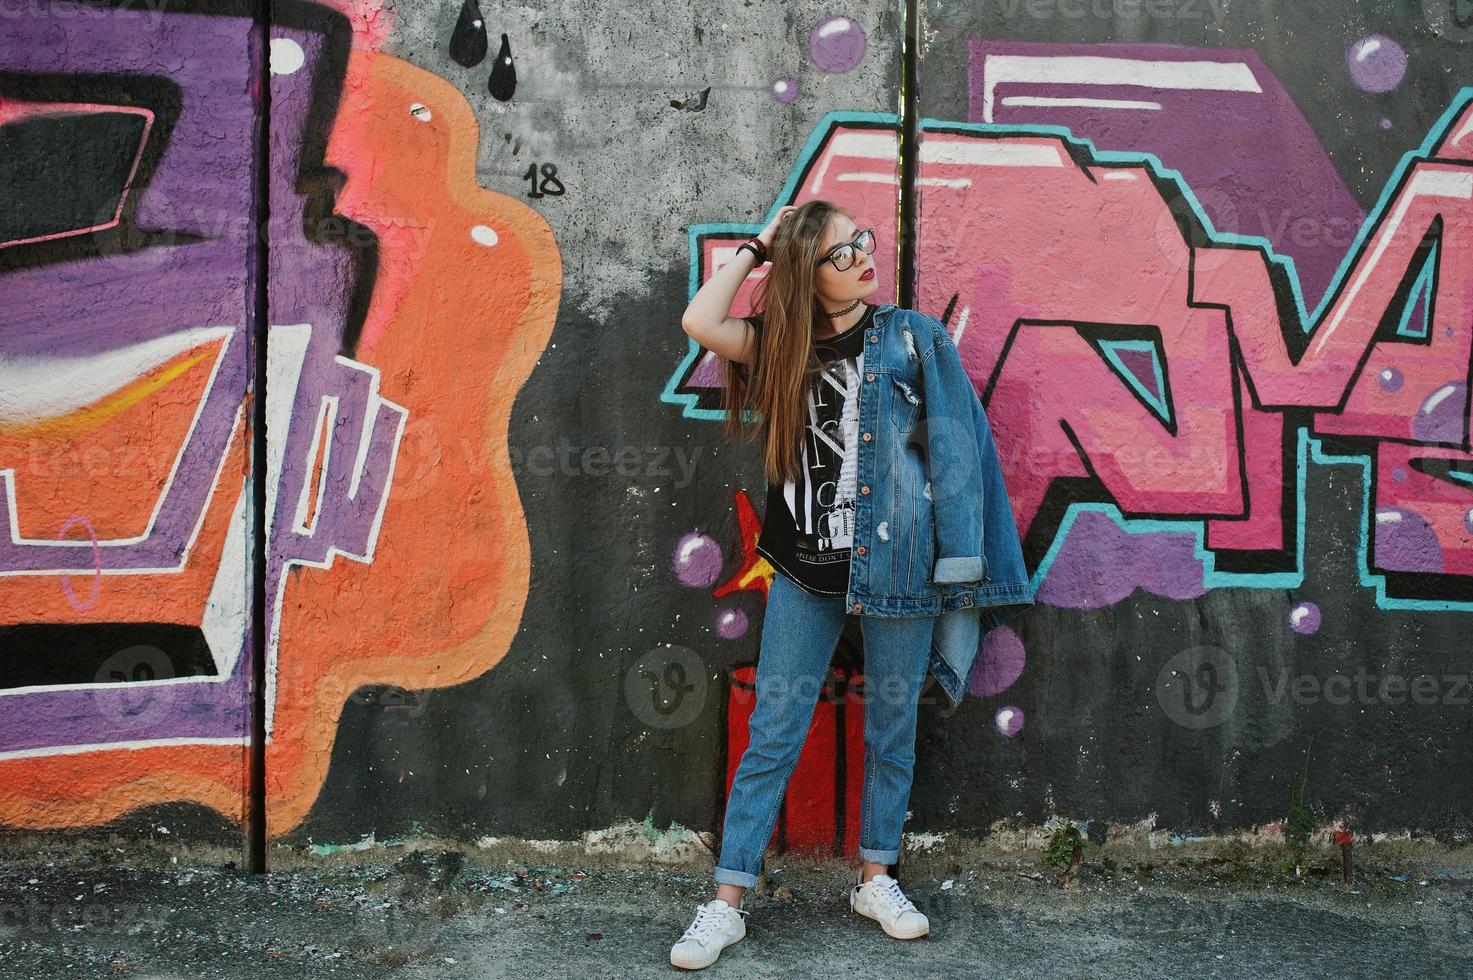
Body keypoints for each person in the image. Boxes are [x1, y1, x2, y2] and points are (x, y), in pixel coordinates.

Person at [673, 200, 937, 970]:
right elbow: (699, 318)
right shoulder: (778, 347)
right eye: (837, 252)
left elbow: (953, 449)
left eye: (860, 239)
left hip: (895, 568)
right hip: (803, 570)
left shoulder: (910, 337)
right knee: (775, 732)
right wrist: (759, 246)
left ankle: (876, 878)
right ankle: (727, 902)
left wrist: (955, 554)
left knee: (892, 728)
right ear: (803, 275)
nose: (860, 254)